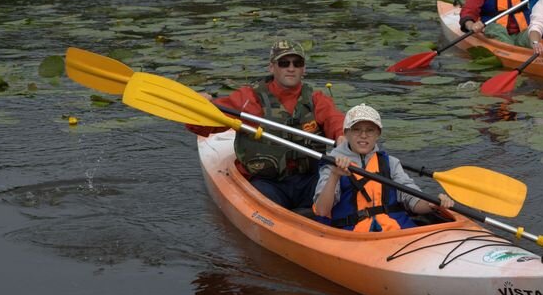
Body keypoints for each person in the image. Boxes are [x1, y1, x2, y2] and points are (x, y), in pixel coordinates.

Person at [187, 40, 345, 209]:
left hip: (308, 180)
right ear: (272, 67)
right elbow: (203, 126)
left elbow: (335, 119)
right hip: (266, 183)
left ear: (303, 69)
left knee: (342, 192)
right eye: (284, 63)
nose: (291, 68)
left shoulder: (315, 99)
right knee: (265, 201)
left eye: (297, 63)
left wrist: (342, 136)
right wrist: (198, 108)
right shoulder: (248, 99)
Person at [313, 104, 453, 232]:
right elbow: (321, 211)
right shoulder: (332, 163)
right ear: (346, 133)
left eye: (370, 130)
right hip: (353, 235)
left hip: (395, 230)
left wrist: (433, 204)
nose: (363, 135)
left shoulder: (390, 163)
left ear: (377, 134)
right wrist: (334, 175)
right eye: (356, 130)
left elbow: (413, 201)